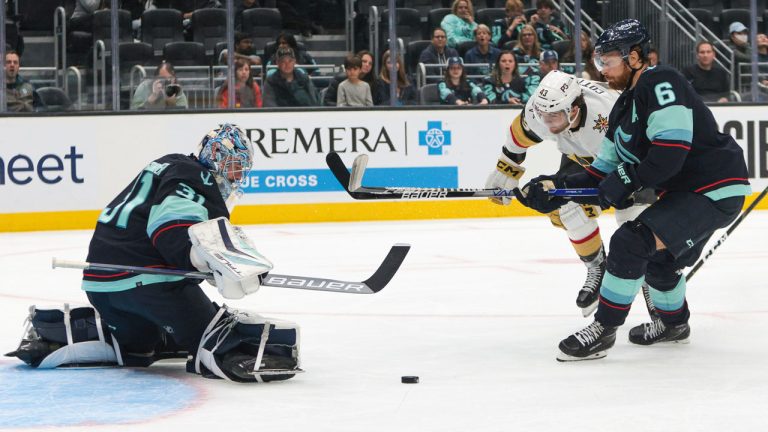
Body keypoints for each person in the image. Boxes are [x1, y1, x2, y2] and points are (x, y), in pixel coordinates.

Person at [514, 19, 751, 361]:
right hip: (687, 194)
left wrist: (623, 182)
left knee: (630, 240)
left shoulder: (661, 81)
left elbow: (669, 155)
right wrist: (554, 188)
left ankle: (604, 329)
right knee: (660, 265)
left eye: (608, 61)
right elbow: (599, 173)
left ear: (635, 57)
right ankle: (674, 325)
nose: (603, 70)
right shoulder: (623, 108)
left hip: (713, 187)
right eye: (599, 62)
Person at [6, 124, 300, 382]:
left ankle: (64, 334)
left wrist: (209, 264)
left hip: (102, 286)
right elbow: (169, 228)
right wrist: (202, 260)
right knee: (218, 338)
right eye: (235, 166)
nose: (237, 176)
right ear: (217, 157)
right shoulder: (199, 177)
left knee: (144, 345)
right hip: (148, 284)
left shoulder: (167, 164)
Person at [485, 69, 654, 318]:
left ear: (574, 109)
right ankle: (598, 267)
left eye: (554, 116)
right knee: (566, 209)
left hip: (633, 161)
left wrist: (590, 198)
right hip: (584, 155)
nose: (547, 123)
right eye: (543, 115)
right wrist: (506, 168)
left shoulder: (608, 118)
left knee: (635, 226)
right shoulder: (541, 109)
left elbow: (621, 178)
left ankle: (654, 286)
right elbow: (520, 135)